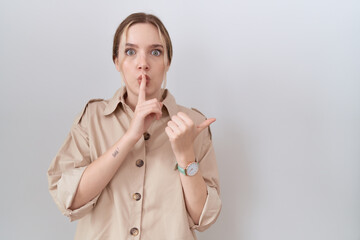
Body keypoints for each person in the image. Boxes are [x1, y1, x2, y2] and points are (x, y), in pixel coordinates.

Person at [47, 12, 221, 240]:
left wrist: (185, 155)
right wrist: (130, 136)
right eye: (130, 52)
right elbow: (69, 199)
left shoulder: (192, 124)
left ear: (167, 62)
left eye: (155, 52)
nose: (143, 64)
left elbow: (203, 219)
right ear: (116, 61)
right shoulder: (92, 118)